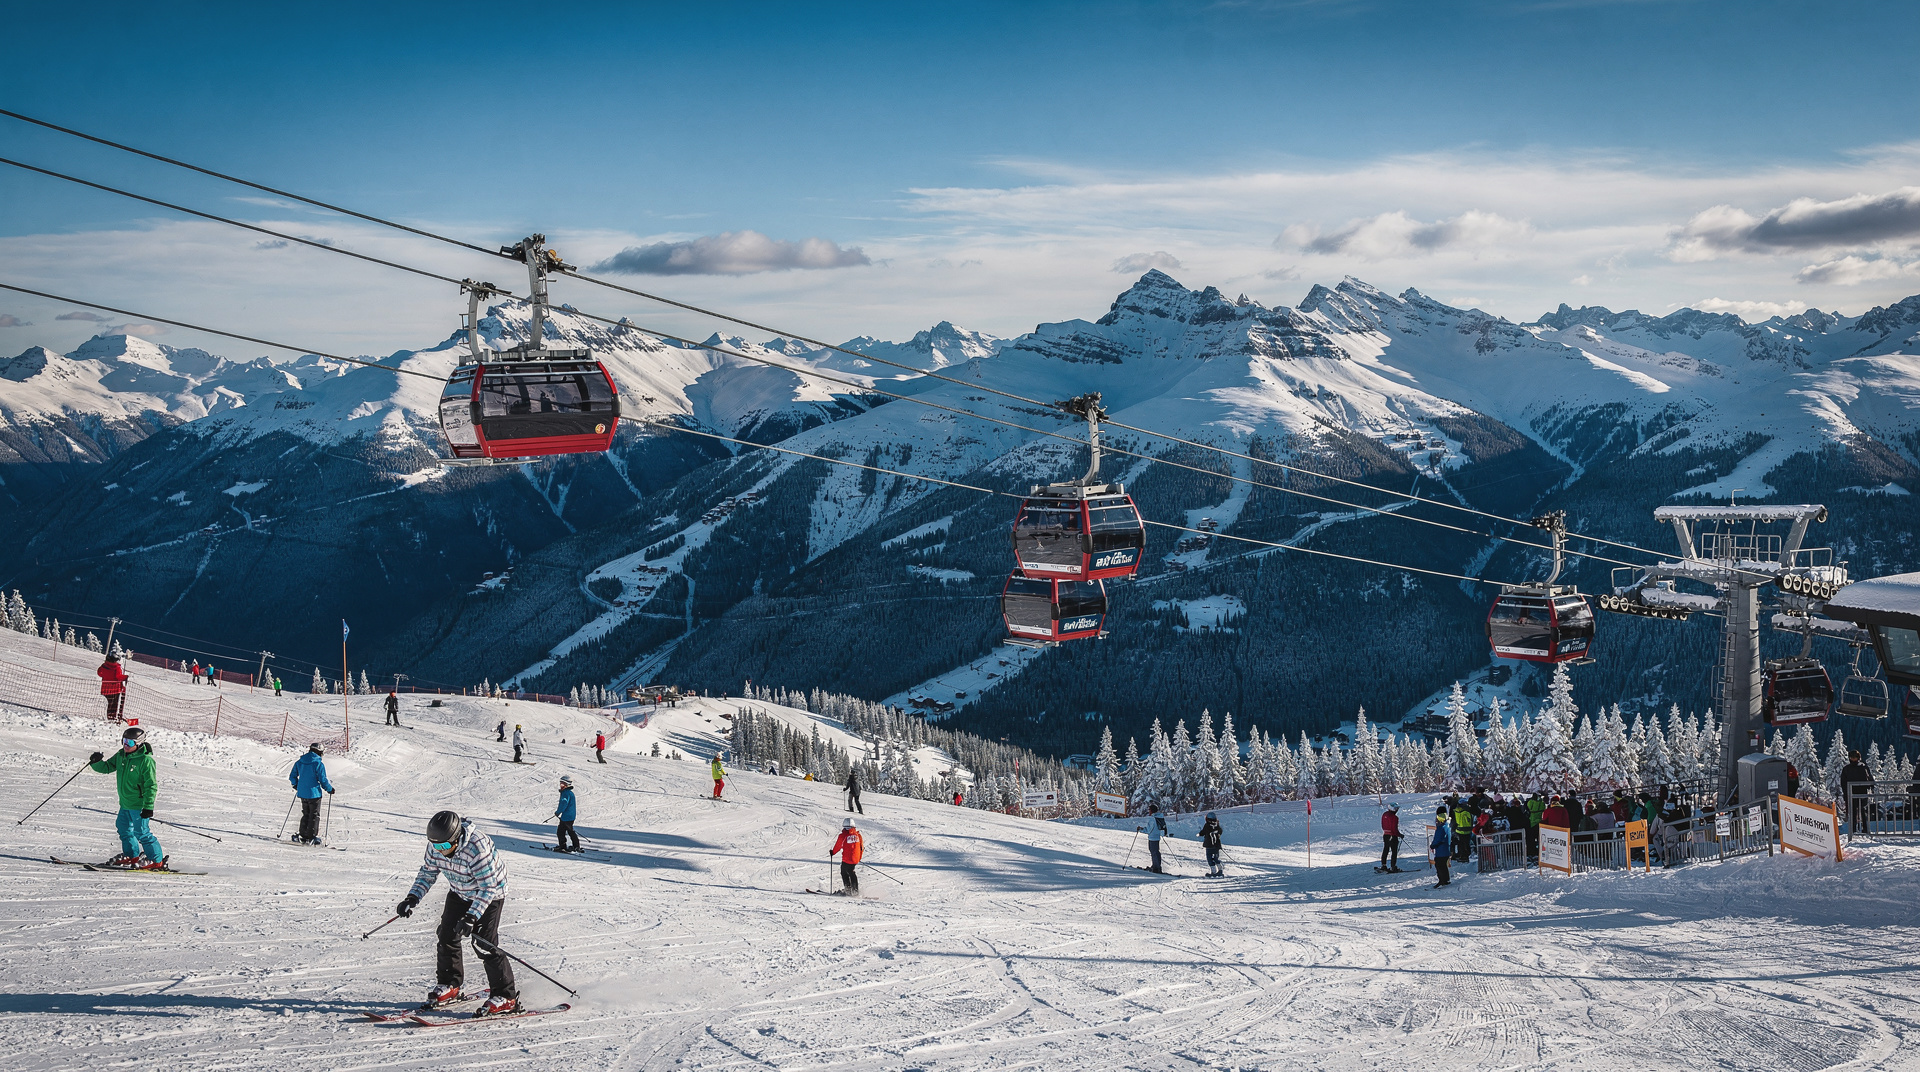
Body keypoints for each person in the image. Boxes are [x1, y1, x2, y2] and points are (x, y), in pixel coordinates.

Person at [395, 811, 517, 1016]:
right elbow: (428, 872)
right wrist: (412, 898)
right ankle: (450, 984)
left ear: (456, 838)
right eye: (435, 846)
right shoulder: (436, 846)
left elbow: (488, 887)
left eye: (443, 846)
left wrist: (471, 917)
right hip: (460, 891)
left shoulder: (477, 847)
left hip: (490, 893)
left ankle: (506, 996)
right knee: (446, 935)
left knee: (484, 943)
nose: (439, 851)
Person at [88, 726, 164, 869]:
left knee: (141, 832)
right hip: (125, 803)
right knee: (123, 829)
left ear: (139, 743)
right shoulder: (121, 755)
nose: (125, 745)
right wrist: (96, 762)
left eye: (129, 743)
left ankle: (156, 860)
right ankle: (131, 856)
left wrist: (148, 806)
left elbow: (151, 786)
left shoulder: (145, 761)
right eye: (124, 741)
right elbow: (107, 767)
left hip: (139, 805)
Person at [288, 743, 336, 844]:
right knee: (314, 815)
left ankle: (303, 834)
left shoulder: (300, 761)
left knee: (305, 813)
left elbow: (292, 776)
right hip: (314, 794)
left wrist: (296, 785)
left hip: (302, 793)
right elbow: (322, 779)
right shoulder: (318, 764)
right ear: (319, 752)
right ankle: (311, 836)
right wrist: (329, 789)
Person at [1840, 750, 1874, 835]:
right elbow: (1843, 782)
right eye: (1852, 757)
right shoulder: (1862, 767)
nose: (1853, 759)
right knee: (1858, 811)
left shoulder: (1850, 768)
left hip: (1856, 792)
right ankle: (1858, 829)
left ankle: (1859, 829)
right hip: (1857, 792)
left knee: (1859, 811)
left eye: (1854, 757)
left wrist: (1871, 785)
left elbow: (1843, 782)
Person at [830, 817, 863, 895]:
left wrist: (833, 852)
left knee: (844, 872)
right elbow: (861, 847)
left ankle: (848, 890)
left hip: (847, 859)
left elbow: (838, 846)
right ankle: (855, 891)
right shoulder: (858, 835)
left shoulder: (843, 835)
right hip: (855, 858)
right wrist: (858, 857)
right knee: (851, 872)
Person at [97, 652, 128, 722]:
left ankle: (109, 716)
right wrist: (126, 677)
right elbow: (118, 677)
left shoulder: (104, 666)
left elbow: (99, 673)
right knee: (114, 705)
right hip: (115, 690)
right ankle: (112, 718)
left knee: (108, 704)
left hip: (105, 689)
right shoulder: (116, 668)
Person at [554, 776, 580, 852]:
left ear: (567, 785)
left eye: (562, 784)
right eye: (560, 784)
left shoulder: (566, 793)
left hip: (566, 817)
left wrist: (558, 812)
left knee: (560, 832)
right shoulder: (570, 793)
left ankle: (563, 847)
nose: (560, 786)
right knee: (570, 831)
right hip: (570, 816)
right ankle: (576, 846)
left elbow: (563, 804)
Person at [1429, 804, 1452, 888]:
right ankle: (1445, 879)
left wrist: (1433, 845)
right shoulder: (1447, 826)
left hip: (1441, 850)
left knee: (1439, 865)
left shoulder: (1441, 828)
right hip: (1446, 849)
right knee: (1443, 866)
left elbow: (1438, 839)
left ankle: (1442, 880)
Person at [1380, 803, 1403, 872]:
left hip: (1386, 835)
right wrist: (1399, 835)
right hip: (1392, 836)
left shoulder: (1384, 814)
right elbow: (1394, 829)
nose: (1397, 810)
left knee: (1386, 850)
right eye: (1396, 809)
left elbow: (1383, 825)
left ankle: (1383, 865)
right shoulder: (1394, 817)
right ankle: (1393, 867)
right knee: (1394, 851)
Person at [1199, 812, 1225, 876]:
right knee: (1216, 859)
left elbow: (1203, 832)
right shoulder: (1217, 825)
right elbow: (1220, 831)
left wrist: (1200, 834)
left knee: (1210, 859)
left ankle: (1213, 871)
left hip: (1209, 845)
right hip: (1216, 846)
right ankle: (1220, 870)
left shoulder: (1207, 825)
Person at [1145, 805, 1168, 873]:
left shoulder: (1153, 818)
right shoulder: (1159, 817)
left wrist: (1141, 829)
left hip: (1152, 837)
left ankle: (1156, 867)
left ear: (1152, 810)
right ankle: (1157, 866)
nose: (1148, 811)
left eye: (1149, 809)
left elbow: (1148, 830)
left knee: (1153, 852)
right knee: (1156, 851)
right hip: (1157, 837)